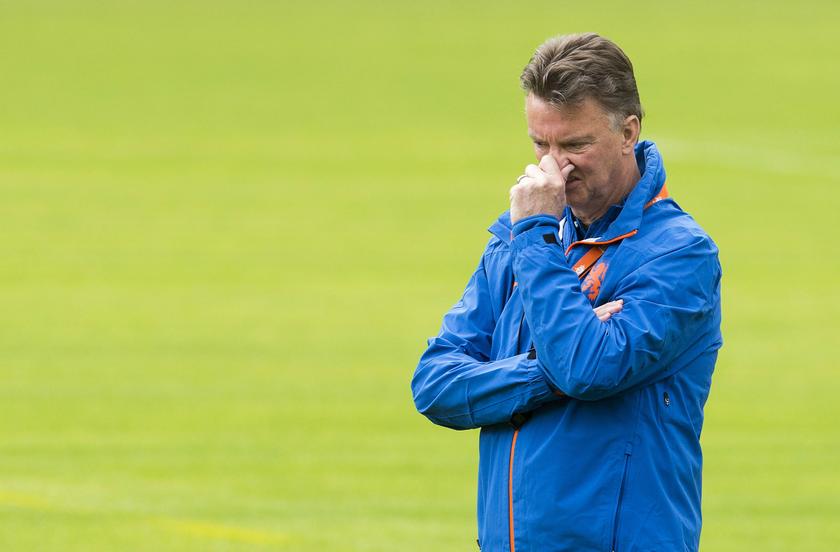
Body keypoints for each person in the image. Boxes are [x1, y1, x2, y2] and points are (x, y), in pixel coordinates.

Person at [411, 33, 722, 551]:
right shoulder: (522, 237)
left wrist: (534, 237)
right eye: (541, 144)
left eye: (575, 145)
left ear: (628, 132)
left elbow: (587, 369)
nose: (554, 167)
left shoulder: (678, 256)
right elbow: (435, 384)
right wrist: (545, 373)